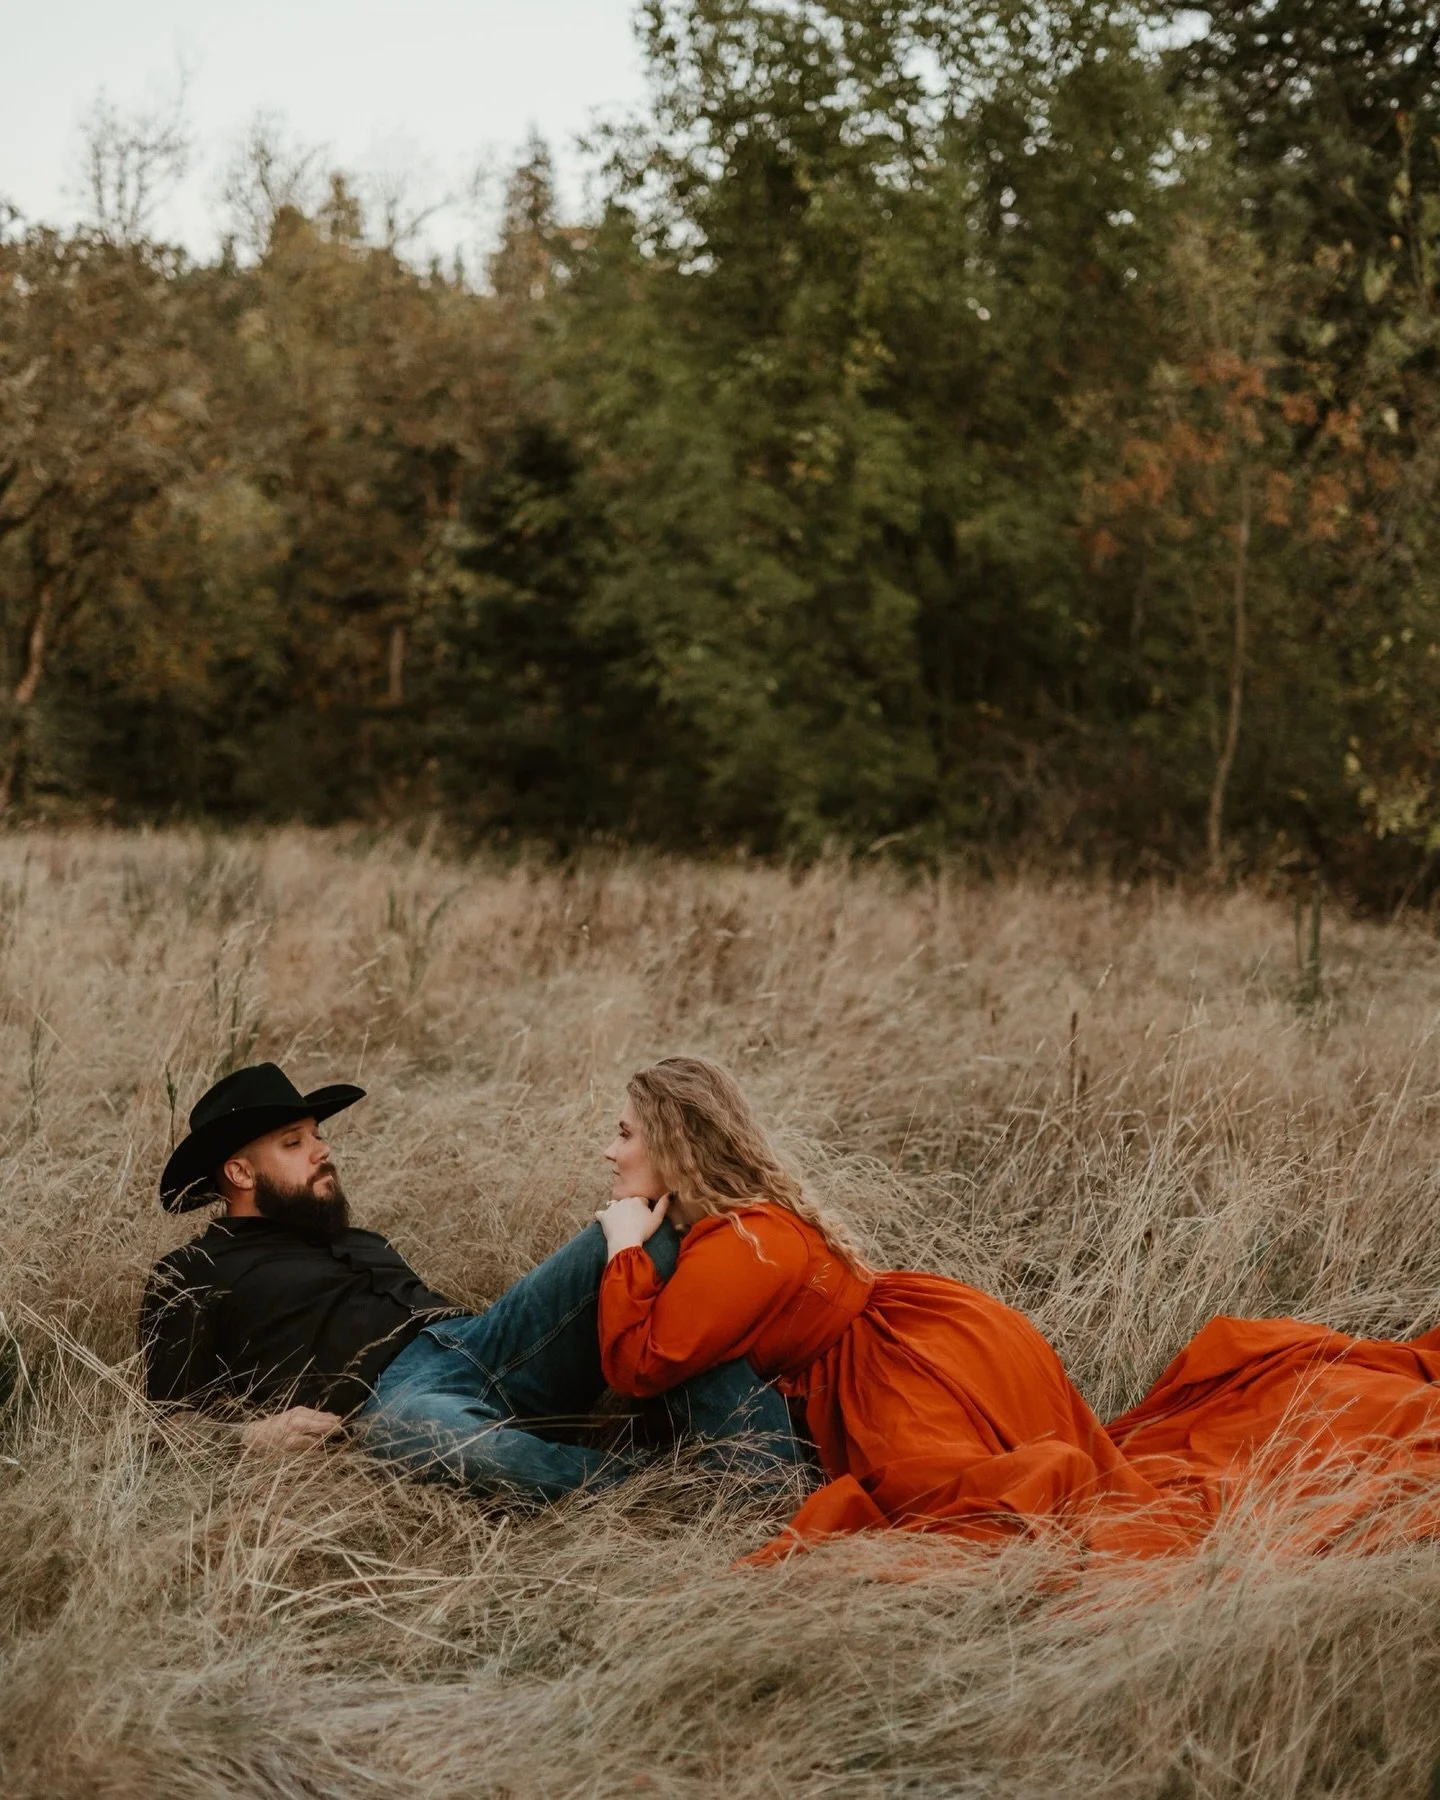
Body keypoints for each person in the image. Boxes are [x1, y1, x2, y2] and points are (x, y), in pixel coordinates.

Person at [594, 1057, 1440, 1561]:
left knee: (993, 1497)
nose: (609, 1149)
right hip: (948, 1331)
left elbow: (640, 1365)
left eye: (627, 1133)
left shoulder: (742, 1241)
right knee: (1064, 1470)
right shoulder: (747, 1223)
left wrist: (624, 1249)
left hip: (907, 1374)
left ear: (677, 1143)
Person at [140, 1062, 804, 1500]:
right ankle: (669, 1491)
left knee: (647, 1231)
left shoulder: (346, 1237)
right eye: (294, 1143)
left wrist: (626, 1239)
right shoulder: (191, 1274)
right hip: (389, 1402)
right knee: (420, 1435)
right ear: (240, 1174)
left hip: (485, 1339)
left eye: (317, 1135)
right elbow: (163, 1426)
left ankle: (768, 1482)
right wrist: (250, 1436)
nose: (323, 1150)